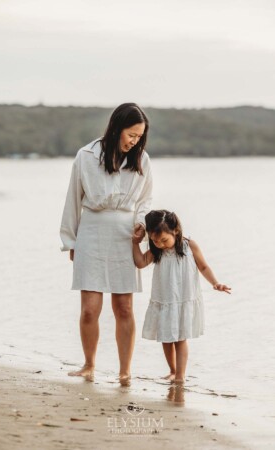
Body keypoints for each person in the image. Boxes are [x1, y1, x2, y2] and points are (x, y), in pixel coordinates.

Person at [60, 103, 153, 385]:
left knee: (124, 307)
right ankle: (89, 365)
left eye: (139, 137)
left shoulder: (142, 160)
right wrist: (70, 241)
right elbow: (72, 200)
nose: (134, 141)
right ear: (116, 128)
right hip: (91, 232)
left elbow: (145, 201)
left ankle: (125, 370)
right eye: (131, 135)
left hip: (126, 234)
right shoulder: (86, 156)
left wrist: (142, 226)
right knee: (90, 308)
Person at [132, 210, 231, 384]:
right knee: (165, 337)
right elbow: (140, 263)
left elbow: (203, 267)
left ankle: (180, 376)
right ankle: (172, 370)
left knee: (180, 338)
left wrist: (215, 283)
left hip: (183, 298)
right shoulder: (157, 250)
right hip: (164, 299)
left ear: (175, 231)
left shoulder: (189, 245)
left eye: (164, 240)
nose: (160, 244)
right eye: (155, 241)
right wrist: (135, 243)